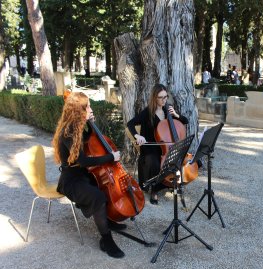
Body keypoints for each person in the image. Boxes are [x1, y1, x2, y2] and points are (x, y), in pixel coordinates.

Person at [52, 92, 126, 259]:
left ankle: (107, 220)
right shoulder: (67, 132)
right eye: (87, 107)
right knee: (98, 196)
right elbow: (84, 161)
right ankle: (106, 240)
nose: (90, 109)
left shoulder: (78, 128)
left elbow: (92, 141)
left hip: (83, 176)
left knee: (104, 187)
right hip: (71, 181)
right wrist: (111, 157)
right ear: (78, 110)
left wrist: (91, 123)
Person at [127, 84, 188, 205]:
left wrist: (176, 115)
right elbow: (130, 124)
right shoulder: (147, 112)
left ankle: (172, 183)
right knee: (154, 161)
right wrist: (137, 136)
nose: (164, 100)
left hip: (164, 146)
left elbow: (185, 121)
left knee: (177, 156)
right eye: (161, 97)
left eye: (166, 97)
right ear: (155, 98)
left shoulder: (167, 110)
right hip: (150, 147)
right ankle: (154, 190)